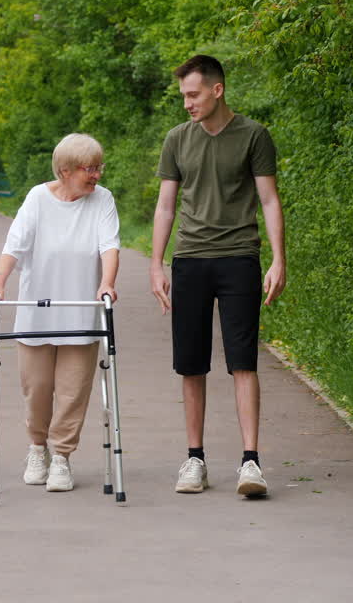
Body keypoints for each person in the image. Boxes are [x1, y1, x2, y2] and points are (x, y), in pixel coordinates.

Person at [149, 55, 286, 498]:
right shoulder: (177, 139)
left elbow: (268, 200)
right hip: (190, 259)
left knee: (242, 360)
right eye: (184, 96)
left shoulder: (253, 136)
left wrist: (278, 260)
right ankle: (195, 459)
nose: (187, 103)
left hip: (239, 258)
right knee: (191, 363)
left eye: (193, 95)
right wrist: (156, 264)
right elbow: (166, 205)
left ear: (217, 90)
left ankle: (251, 464)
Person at [0, 133, 120, 492]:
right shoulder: (37, 199)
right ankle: (37, 448)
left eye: (98, 167)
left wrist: (107, 282)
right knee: (37, 388)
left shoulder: (102, 200)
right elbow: (14, 245)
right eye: (89, 169)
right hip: (37, 312)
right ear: (65, 171)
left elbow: (109, 246)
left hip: (79, 312)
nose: (97, 175)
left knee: (73, 391)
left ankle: (61, 456)